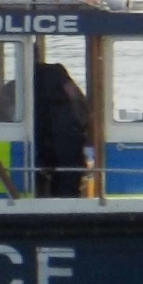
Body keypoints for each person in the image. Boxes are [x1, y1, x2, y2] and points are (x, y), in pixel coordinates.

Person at [33, 59, 91, 198]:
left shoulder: (28, 80)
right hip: (68, 151)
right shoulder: (57, 74)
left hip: (47, 151)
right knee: (68, 191)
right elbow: (81, 105)